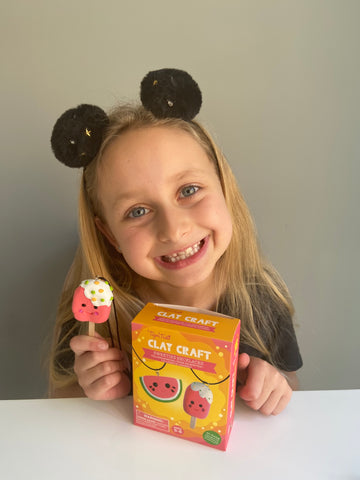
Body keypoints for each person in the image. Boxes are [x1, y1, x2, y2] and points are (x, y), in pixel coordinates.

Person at [48, 69, 302, 416]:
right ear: (109, 235)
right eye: (137, 211)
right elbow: (55, 407)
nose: (173, 229)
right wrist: (86, 389)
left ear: (223, 187)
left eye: (188, 190)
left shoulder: (261, 300)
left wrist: (274, 386)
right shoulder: (95, 317)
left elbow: (293, 392)